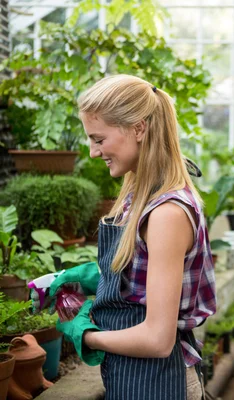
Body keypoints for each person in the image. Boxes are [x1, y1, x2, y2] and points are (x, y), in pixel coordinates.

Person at [32, 74, 216, 400]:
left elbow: (158, 341)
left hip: (161, 383)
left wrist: (86, 335)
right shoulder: (138, 194)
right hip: (134, 379)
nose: (92, 152)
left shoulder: (166, 213)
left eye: (99, 139)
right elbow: (143, 275)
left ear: (139, 129)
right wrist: (87, 277)